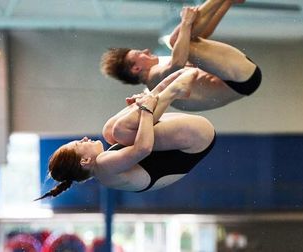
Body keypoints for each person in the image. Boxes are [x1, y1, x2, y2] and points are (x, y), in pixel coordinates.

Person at [35, 69, 217, 200]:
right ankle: (172, 91)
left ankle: (166, 88)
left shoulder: (104, 169)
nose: (84, 139)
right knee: (121, 130)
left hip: (190, 140)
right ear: (84, 161)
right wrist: (144, 109)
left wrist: (140, 106)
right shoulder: (103, 165)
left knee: (110, 131)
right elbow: (143, 148)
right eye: (78, 144)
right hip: (195, 139)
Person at [100, 0, 262, 111]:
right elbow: (178, 62)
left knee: (183, 41)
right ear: (136, 68)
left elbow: (200, 37)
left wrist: (226, 4)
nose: (146, 51)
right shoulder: (155, 79)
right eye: (139, 53)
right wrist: (185, 22)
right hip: (238, 79)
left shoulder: (161, 77)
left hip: (240, 79)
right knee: (176, 40)